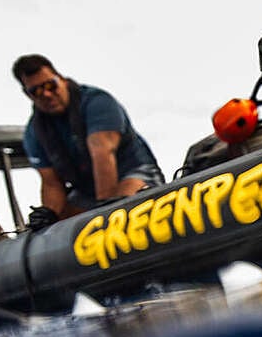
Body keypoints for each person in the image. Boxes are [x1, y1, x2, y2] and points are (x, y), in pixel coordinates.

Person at [11, 54, 165, 230]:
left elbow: (102, 155)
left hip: (133, 173)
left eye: (50, 86)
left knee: (122, 211)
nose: (46, 94)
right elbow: (52, 183)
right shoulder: (34, 132)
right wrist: (49, 213)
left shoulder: (98, 102)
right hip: (85, 192)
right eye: (37, 91)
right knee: (57, 221)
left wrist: (104, 213)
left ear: (61, 79)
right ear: (28, 95)